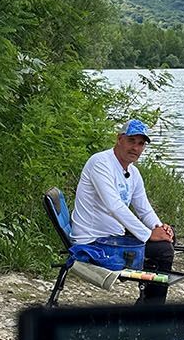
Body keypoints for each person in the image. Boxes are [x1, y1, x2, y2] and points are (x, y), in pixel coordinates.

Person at [71, 119, 175, 301]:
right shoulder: (100, 163)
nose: (135, 147)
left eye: (141, 143)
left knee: (168, 240)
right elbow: (114, 206)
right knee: (163, 251)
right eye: (131, 141)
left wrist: (160, 228)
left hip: (112, 236)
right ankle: (153, 312)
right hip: (93, 241)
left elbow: (144, 208)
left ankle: (147, 303)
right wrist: (148, 235)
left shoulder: (133, 173)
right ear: (119, 139)